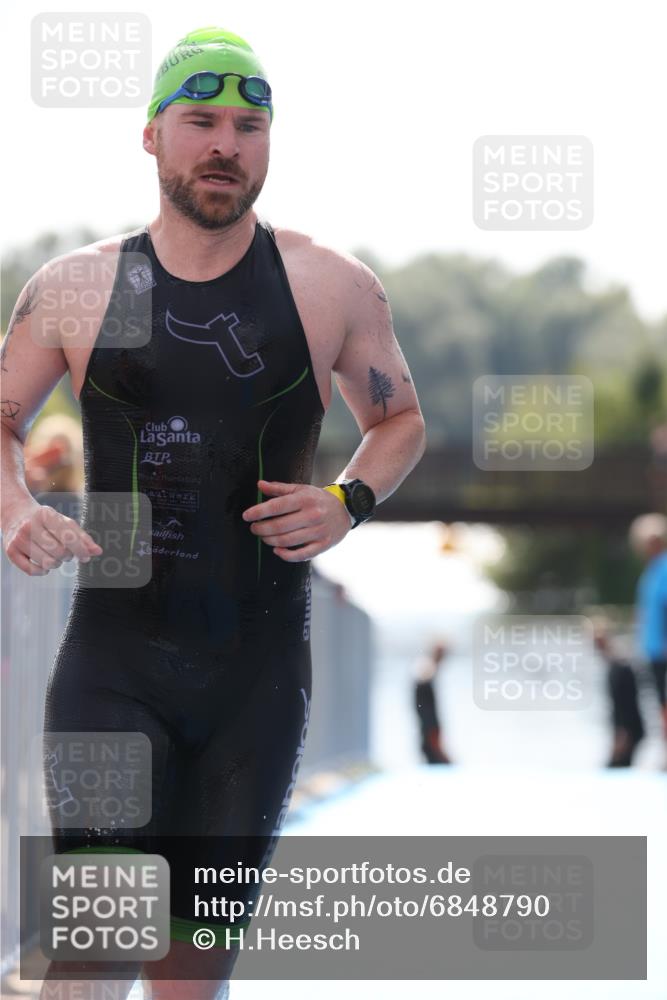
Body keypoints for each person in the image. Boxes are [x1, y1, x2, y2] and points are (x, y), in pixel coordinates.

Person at [0, 27, 427, 1000]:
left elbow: (398, 420)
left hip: (256, 685)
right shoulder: (77, 287)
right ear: (152, 136)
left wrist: (348, 499)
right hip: (113, 668)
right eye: (201, 121)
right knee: (97, 947)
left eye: (249, 124)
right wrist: (13, 505)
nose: (226, 144)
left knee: (191, 979)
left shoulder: (331, 286)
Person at [629, 513, 667, 749]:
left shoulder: (664, 567)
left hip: (663, 649)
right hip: (652, 649)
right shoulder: (650, 570)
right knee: (660, 701)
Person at [592, 618, 645, 767]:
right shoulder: (616, 666)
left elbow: (625, 704)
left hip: (628, 732)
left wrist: (622, 734)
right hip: (626, 730)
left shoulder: (620, 669)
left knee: (616, 767)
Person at [413, 640, 451, 764]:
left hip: (430, 727)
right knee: (439, 760)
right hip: (429, 728)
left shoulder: (428, 669)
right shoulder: (427, 668)